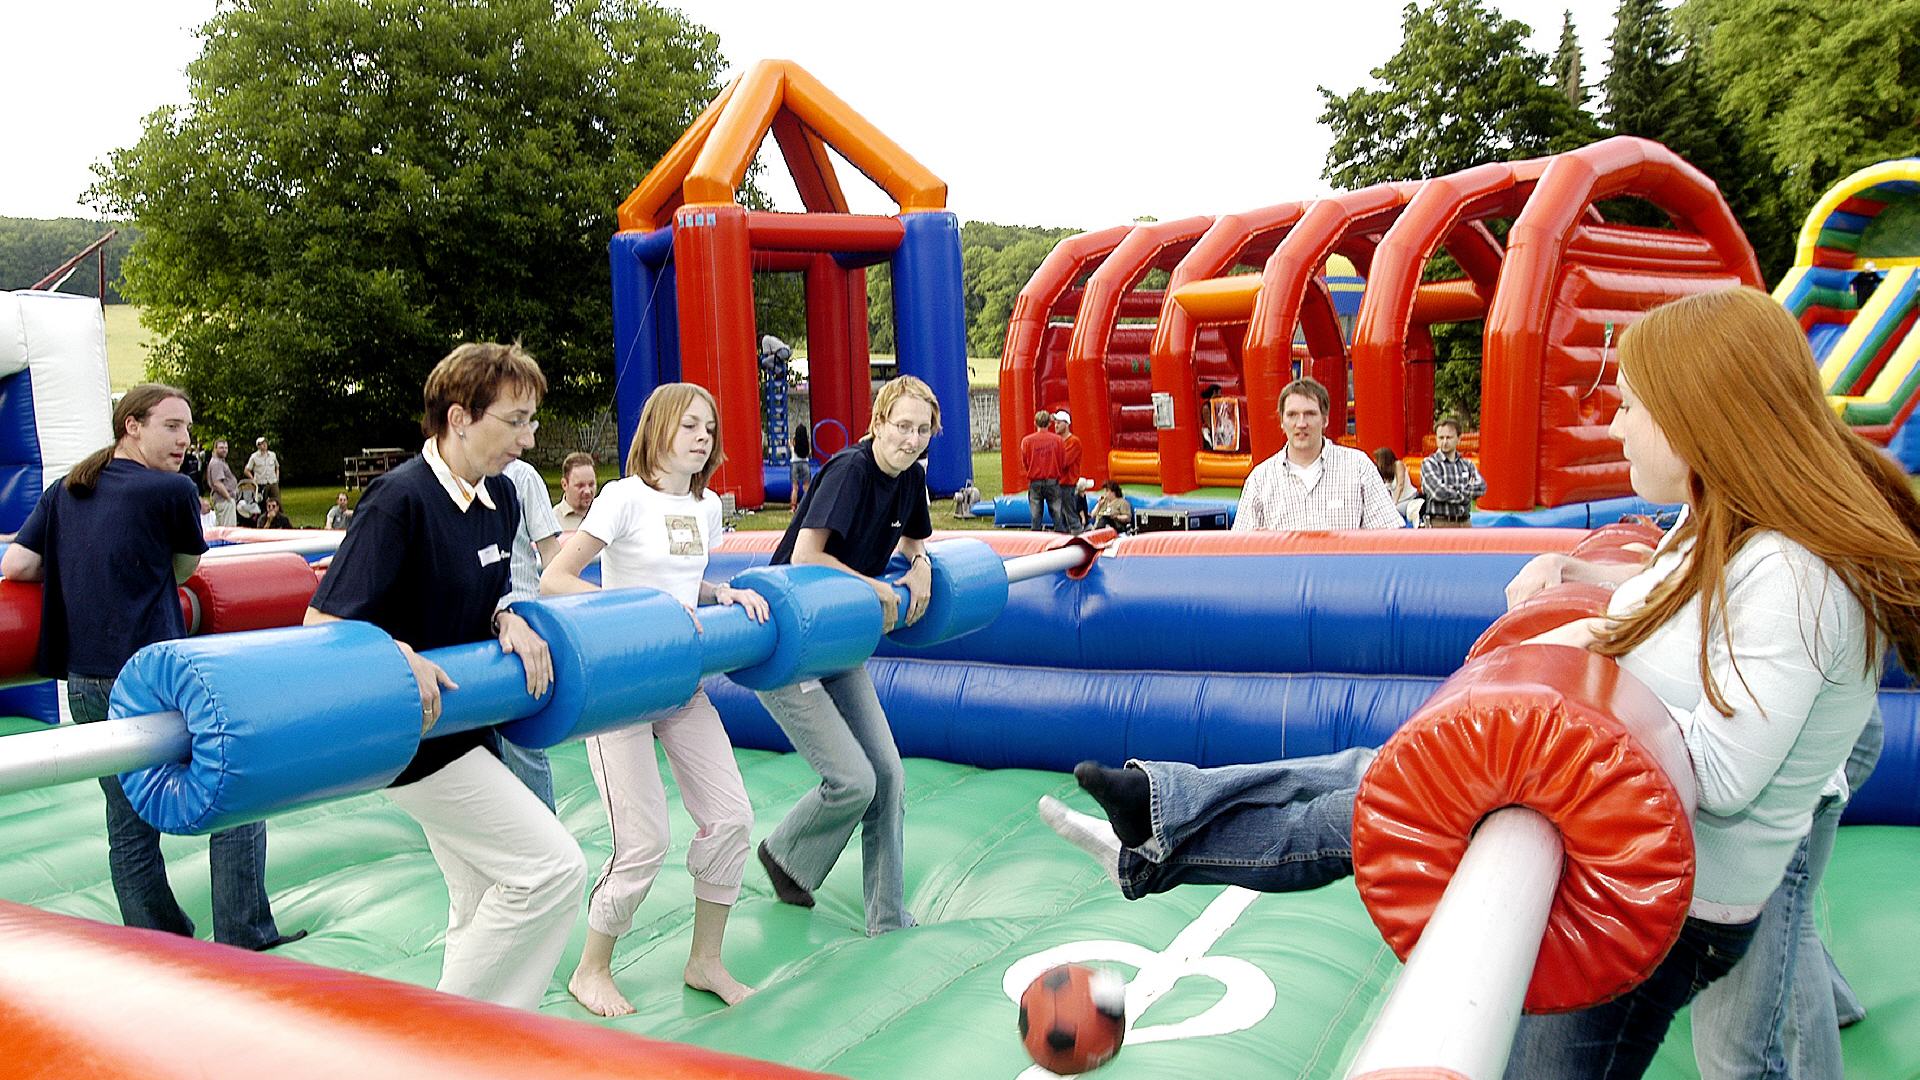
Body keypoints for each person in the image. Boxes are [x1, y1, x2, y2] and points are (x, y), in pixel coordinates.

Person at [1041, 287, 1920, 1079]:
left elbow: (1724, 776)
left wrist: (1552, 714)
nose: (1615, 427)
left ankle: (1164, 828)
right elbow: (1643, 619)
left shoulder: (1792, 575)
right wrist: (1548, 653)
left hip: (1660, 899)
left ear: (1697, 416)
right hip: (1627, 856)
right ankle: (1165, 818)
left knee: (1392, 792)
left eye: (1630, 406)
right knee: (1382, 776)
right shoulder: (1712, 529)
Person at [305, 341, 585, 1010]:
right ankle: (442, 1033)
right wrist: (393, 652)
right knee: (552, 870)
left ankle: (472, 1043)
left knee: (480, 896)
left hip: (467, 726)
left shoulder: (501, 498)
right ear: (459, 417)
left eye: (531, 421)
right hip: (413, 740)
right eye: (514, 421)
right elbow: (323, 623)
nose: (527, 438)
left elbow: (479, 589)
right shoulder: (398, 500)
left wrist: (506, 615)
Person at [0, 384, 301, 953]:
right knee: (239, 790)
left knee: (128, 823)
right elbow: (185, 571)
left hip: (85, 683)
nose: (184, 441)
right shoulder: (171, 490)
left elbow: (18, 563)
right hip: (152, 681)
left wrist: (80, 565)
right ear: (131, 426)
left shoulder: (69, 487)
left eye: (187, 429)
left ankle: (157, 943)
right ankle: (244, 937)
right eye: (171, 426)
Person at [542, 382, 768, 1015]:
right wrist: (646, 614)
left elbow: (682, 580)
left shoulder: (705, 506)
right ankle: (591, 969)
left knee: (732, 818)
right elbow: (557, 578)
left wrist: (721, 593)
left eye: (709, 428)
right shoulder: (622, 497)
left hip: (680, 685)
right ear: (659, 427)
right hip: (621, 688)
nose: (702, 437)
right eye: (690, 425)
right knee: (643, 841)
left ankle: (705, 962)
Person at [755, 375, 936, 937]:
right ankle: (784, 853)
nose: (910, 439)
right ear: (878, 423)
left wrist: (920, 564)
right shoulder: (850, 471)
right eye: (901, 426)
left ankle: (887, 916)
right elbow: (806, 555)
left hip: (839, 640)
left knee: (889, 775)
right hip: (789, 640)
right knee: (855, 780)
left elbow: (913, 540)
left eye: (921, 430)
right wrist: (874, 585)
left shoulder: (910, 478)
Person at [1233, 377, 1402, 531]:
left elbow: (1388, 536)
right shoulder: (1260, 479)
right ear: (1282, 422)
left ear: (1325, 419)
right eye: (1292, 415)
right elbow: (1240, 547)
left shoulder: (1358, 467)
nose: (1301, 423)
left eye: (1310, 414)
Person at [1419, 417, 1485, 527]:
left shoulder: (1467, 464)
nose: (1444, 442)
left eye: (1449, 437)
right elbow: (1438, 492)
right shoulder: (1429, 463)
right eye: (1441, 438)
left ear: (1458, 438)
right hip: (1439, 524)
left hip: (1465, 523)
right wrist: (1466, 492)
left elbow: (1480, 488)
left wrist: (1451, 489)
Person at [1019, 409, 1068, 533]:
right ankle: (1060, 535)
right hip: (1052, 480)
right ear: (1049, 423)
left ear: (1035, 423)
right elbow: (1062, 460)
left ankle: (1036, 536)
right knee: (1057, 513)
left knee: (1036, 514)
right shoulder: (1058, 440)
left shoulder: (1027, 441)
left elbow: (1025, 461)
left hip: (1035, 480)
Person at [1054, 410, 1088, 532]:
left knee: (1070, 514)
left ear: (1066, 424)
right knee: (1060, 516)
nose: (1056, 425)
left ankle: (1077, 533)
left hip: (1067, 483)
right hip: (1058, 483)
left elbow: (1064, 462)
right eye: (1055, 423)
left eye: (1059, 423)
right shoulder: (1057, 441)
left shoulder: (1074, 442)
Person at [1372, 446, 1421, 526]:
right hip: (1398, 502)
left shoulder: (1398, 464)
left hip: (1409, 499)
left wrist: (1394, 503)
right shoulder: (1385, 472)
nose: (1375, 462)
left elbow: (1400, 485)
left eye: (1377, 459)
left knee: (1392, 512)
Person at [552, 451, 596, 531]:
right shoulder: (552, 522)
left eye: (591, 484)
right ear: (564, 484)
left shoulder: (606, 515)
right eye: (580, 486)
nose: (587, 491)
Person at [207, 438, 238, 527]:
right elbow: (217, 483)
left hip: (224, 501)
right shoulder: (217, 463)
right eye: (221, 448)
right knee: (228, 530)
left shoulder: (220, 462)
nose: (224, 450)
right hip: (224, 501)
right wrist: (229, 498)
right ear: (215, 449)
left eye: (226, 448)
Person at [245, 436, 281, 502]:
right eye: (261, 444)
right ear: (258, 446)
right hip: (261, 484)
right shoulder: (254, 457)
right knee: (262, 503)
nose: (264, 445)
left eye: (265, 443)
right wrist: (253, 480)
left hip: (273, 483)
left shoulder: (272, 455)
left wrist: (277, 478)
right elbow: (247, 470)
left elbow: (277, 467)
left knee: (277, 502)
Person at [790, 427, 812, 511]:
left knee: (795, 488)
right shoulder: (806, 443)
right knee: (806, 487)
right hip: (805, 463)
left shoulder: (794, 441)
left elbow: (791, 447)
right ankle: (807, 506)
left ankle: (793, 507)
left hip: (795, 464)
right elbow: (809, 452)